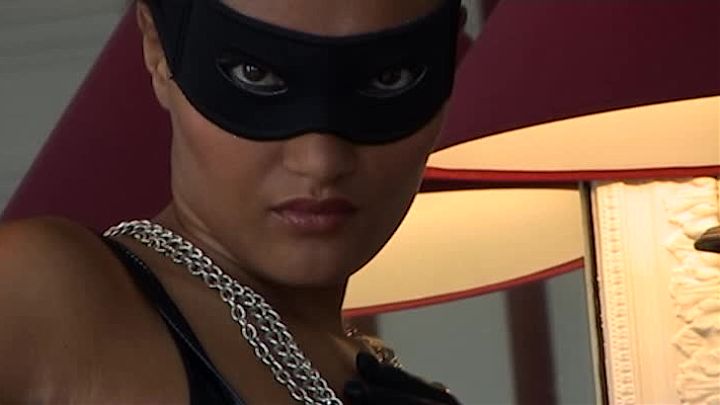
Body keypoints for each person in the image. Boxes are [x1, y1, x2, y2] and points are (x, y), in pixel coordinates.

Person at [0, 0, 466, 403]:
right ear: (158, 49)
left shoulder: (384, 380)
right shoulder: (43, 296)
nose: (320, 161)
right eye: (255, 74)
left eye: (388, 78)